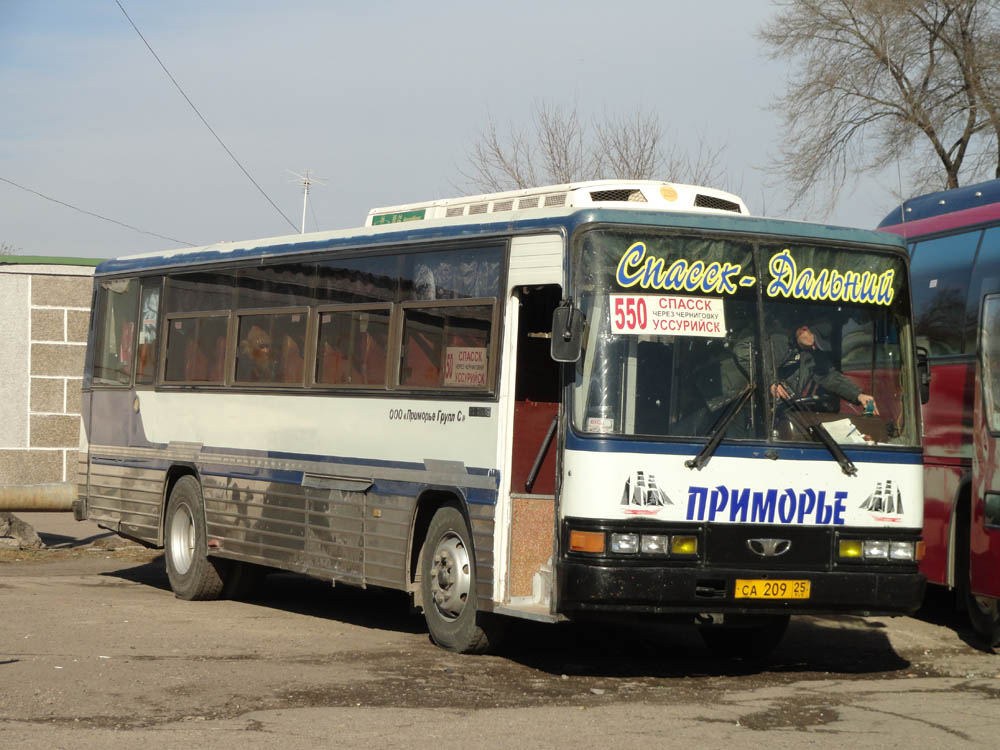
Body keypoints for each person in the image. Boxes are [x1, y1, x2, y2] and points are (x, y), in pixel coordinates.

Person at [769, 324, 878, 415]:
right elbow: (757, 365)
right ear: (804, 329)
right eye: (815, 343)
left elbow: (829, 377)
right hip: (762, 419)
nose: (814, 348)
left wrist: (859, 395)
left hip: (786, 414)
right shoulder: (775, 341)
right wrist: (771, 383)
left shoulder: (812, 356)